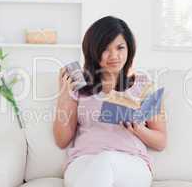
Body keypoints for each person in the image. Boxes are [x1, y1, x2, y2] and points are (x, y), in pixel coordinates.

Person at [53, 16, 167, 187]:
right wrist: (63, 95)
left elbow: (161, 142)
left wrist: (138, 129)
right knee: (101, 164)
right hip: (83, 161)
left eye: (120, 47)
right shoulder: (80, 85)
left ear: (129, 49)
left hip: (131, 163)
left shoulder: (143, 83)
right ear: (93, 51)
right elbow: (62, 140)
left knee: (107, 160)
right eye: (105, 49)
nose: (114, 55)